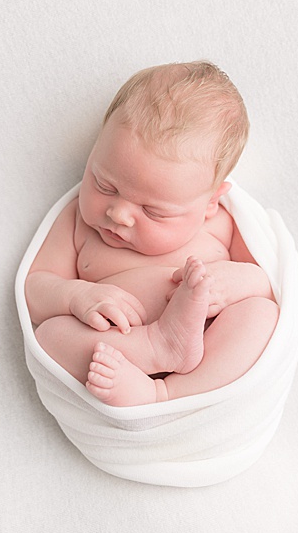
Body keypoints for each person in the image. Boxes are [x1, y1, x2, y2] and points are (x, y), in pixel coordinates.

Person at [25, 61, 279, 406]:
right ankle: (155, 348)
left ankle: (170, 394)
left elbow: (268, 284)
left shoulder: (222, 223)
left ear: (209, 203)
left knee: (262, 316)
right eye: (104, 184)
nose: (118, 214)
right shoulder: (76, 222)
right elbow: (35, 289)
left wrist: (233, 281)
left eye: (153, 211)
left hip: (205, 352)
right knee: (51, 336)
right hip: (120, 355)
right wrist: (74, 296)